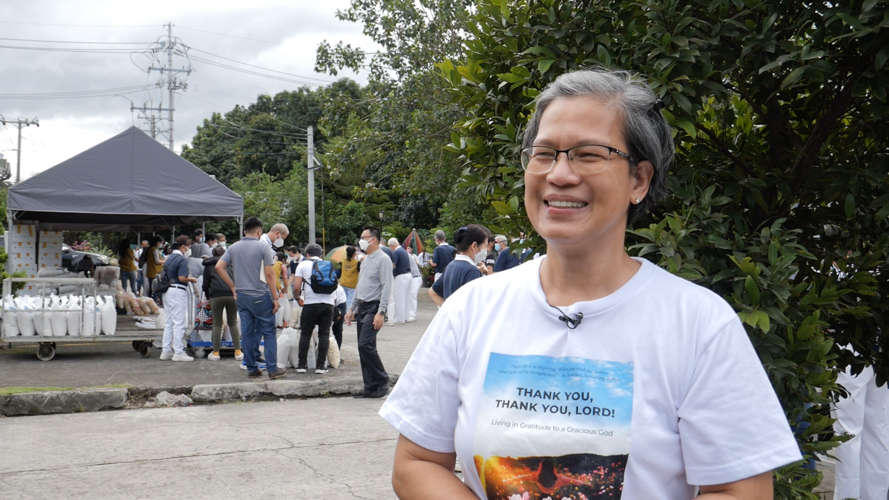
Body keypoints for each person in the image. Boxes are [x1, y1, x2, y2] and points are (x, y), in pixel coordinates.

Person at [380, 69, 801, 498]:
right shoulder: (472, 309)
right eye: (544, 153)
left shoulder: (697, 323)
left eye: (588, 154)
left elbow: (739, 490)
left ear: (639, 179)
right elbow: (416, 464)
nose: (559, 174)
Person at [216, 216, 287, 380]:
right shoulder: (263, 248)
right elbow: (269, 274)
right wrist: (275, 298)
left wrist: (232, 286)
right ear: (259, 231)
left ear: (244, 231)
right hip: (260, 295)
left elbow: (219, 266)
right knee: (269, 332)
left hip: (241, 296)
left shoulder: (233, 247)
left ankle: (252, 368)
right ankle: (272, 368)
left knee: (247, 333)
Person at [344, 226, 393, 398]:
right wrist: (351, 308)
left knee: (366, 344)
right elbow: (360, 285)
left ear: (374, 239)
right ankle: (370, 386)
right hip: (363, 306)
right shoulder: (365, 260)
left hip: (375, 306)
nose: (361, 240)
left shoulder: (383, 259)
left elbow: (387, 285)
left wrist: (381, 311)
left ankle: (383, 379)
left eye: (364, 237)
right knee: (364, 347)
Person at [831, 361, 889, 500]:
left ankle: (847, 496)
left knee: (847, 435)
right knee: (878, 431)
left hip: (850, 351)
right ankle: (875, 496)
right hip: (881, 349)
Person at [291, 243, 335, 374]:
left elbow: (296, 287)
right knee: (324, 334)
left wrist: (297, 298)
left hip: (310, 304)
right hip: (328, 304)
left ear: (307, 254)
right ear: (321, 255)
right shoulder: (328, 265)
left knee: (305, 333)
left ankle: (301, 365)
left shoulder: (303, 265)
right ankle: (321, 366)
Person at [428, 225, 491, 306]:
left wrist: (449, 311)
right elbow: (475, 305)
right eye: (485, 246)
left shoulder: (450, 266)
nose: (486, 250)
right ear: (474, 246)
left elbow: (433, 292)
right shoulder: (472, 271)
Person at [202, 246, 243, 362]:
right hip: (232, 294)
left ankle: (215, 352)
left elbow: (205, 284)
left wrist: (207, 295)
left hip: (216, 295)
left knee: (217, 323)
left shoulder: (209, 265)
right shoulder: (231, 263)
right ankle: (238, 352)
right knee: (233, 322)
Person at [159, 236, 195, 362]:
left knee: (169, 322)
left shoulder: (169, 258)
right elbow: (182, 278)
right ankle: (178, 352)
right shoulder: (181, 259)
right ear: (183, 246)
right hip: (177, 291)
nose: (189, 249)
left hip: (167, 291)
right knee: (178, 323)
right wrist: (191, 278)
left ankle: (166, 350)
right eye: (188, 246)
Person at [388, 238, 412, 325]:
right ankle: (405, 316)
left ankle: (399, 318)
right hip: (408, 275)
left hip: (401, 276)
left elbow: (394, 265)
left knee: (398, 297)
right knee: (406, 297)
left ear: (391, 245)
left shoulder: (396, 252)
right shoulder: (404, 251)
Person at [339, 246, 360, 310]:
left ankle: (344, 312)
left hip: (343, 282)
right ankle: (350, 314)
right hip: (352, 284)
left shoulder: (343, 261)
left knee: (344, 299)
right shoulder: (357, 262)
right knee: (351, 300)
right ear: (354, 254)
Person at [405, 246, 422, 322]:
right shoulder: (405, 254)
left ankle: (412, 315)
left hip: (415, 277)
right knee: (409, 296)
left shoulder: (405, 255)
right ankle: (408, 314)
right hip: (411, 277)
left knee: (412, 296)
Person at [331, 284, 347, 350]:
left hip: (339, 304)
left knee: (337, 329)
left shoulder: (338, 289)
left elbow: (333, 301)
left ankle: (336, 356)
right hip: (324, 302)